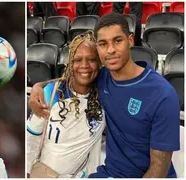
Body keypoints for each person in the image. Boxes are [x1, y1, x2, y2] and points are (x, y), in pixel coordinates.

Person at [29, 13, 180, 178]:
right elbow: (74, 76)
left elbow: (159, 168)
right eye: (103, 43)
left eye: (117, 40)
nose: (111, 50)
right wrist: (39, 86)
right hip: (109, 173)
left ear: (130, 40)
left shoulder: (163, 95)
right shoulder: (102, 77)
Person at [27, 31, 105, 178]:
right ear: (70, 63)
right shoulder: (50, 92)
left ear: (99, 63)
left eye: (91, 59)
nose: (84, 65)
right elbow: (31, 140)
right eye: (78, 60)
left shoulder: (105, 95)